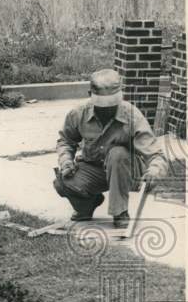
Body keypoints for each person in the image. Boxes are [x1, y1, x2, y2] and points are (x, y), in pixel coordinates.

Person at [54, 68, 167, 228]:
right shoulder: (78, 114)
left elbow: (155, 154)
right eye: (102, 104)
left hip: (127, 169)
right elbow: (66, 141)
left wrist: (155, 170)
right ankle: (87, 205)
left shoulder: (132, 115)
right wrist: (66, 161)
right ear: (90, 95)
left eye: (111, 104)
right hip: (94, 167)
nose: (107, 109)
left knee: (117, 153)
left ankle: (120, 212)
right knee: (62, 183)